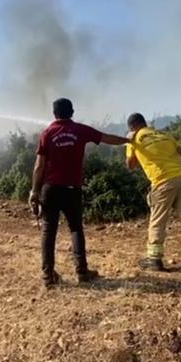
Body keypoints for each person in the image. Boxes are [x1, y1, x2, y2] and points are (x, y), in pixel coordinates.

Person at [29, 98, 129, 288]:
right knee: (76, 228)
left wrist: (34, 191)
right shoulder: (81, 130)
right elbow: (107, 138)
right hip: (72, 189)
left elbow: (39, 166)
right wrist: (129, 141)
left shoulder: (47, 133)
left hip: (50, 189)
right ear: (72, 112)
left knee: (48, 232)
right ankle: (82, 272)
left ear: (54, 114)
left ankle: (47, 277)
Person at [125, 112, 181, 276]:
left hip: (162, 182)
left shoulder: (134, 138)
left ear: (132, 126)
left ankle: (154, 259)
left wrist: (131, 143)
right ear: (145, 123)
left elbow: (130, 164)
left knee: (158, 220)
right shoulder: (164, 134)